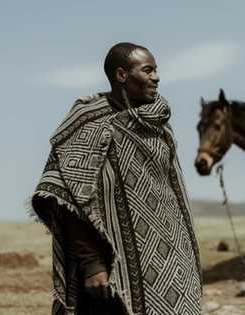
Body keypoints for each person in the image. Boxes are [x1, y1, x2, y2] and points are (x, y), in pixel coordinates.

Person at [31, 42, 202, 315]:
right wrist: (93, 264)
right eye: (148, 70)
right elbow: (67, 200)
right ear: (122, 75)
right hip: (110, 272)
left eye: (156, 70)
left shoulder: (158, 124)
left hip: (168, 261)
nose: (156, 77)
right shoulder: (91, 123)